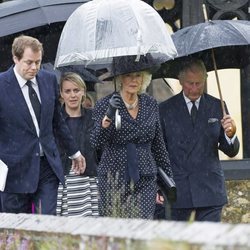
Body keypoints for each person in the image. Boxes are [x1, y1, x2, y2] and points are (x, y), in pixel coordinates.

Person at [0, 35, 85, 215]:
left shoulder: (48, 80)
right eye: (29, 62)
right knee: (16, 232)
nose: (34, 67)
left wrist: (74, 152)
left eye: (38, 62)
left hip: (46, 166)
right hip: (14, 172)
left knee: (47, 222)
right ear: (15, 58)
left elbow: (57, 121)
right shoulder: (1, 85)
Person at [90, 55, 173, 219]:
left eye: (138, 76)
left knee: (142, 228)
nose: (133, 80)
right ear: (120, 78)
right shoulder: (105, 104)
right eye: (128, 75)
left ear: (144, 78)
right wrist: (107, 119)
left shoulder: (150, 104)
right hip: (113, 179)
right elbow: (96, 142)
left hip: (145, 179)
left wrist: (167, 182)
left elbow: (158, 145)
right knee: (117, 233)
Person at [159, 58, 240, 222]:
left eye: (199, 83)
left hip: (210, 192)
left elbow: (230, 151)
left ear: (205, 80)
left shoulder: (217, 106)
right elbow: (160, 152)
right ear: (181, 81)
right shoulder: (165, 109)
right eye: (190, 83)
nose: (195, 88)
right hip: (179, 195)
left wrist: (230, 135)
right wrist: (159, 187)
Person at [56, 72, 99, 217]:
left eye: (76, 90)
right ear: (61, 94)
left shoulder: (94, 117)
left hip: (89, 180)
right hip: (65, 180)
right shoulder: (55, 120)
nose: (72, 95)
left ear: (83, 92)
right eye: (67, 91)